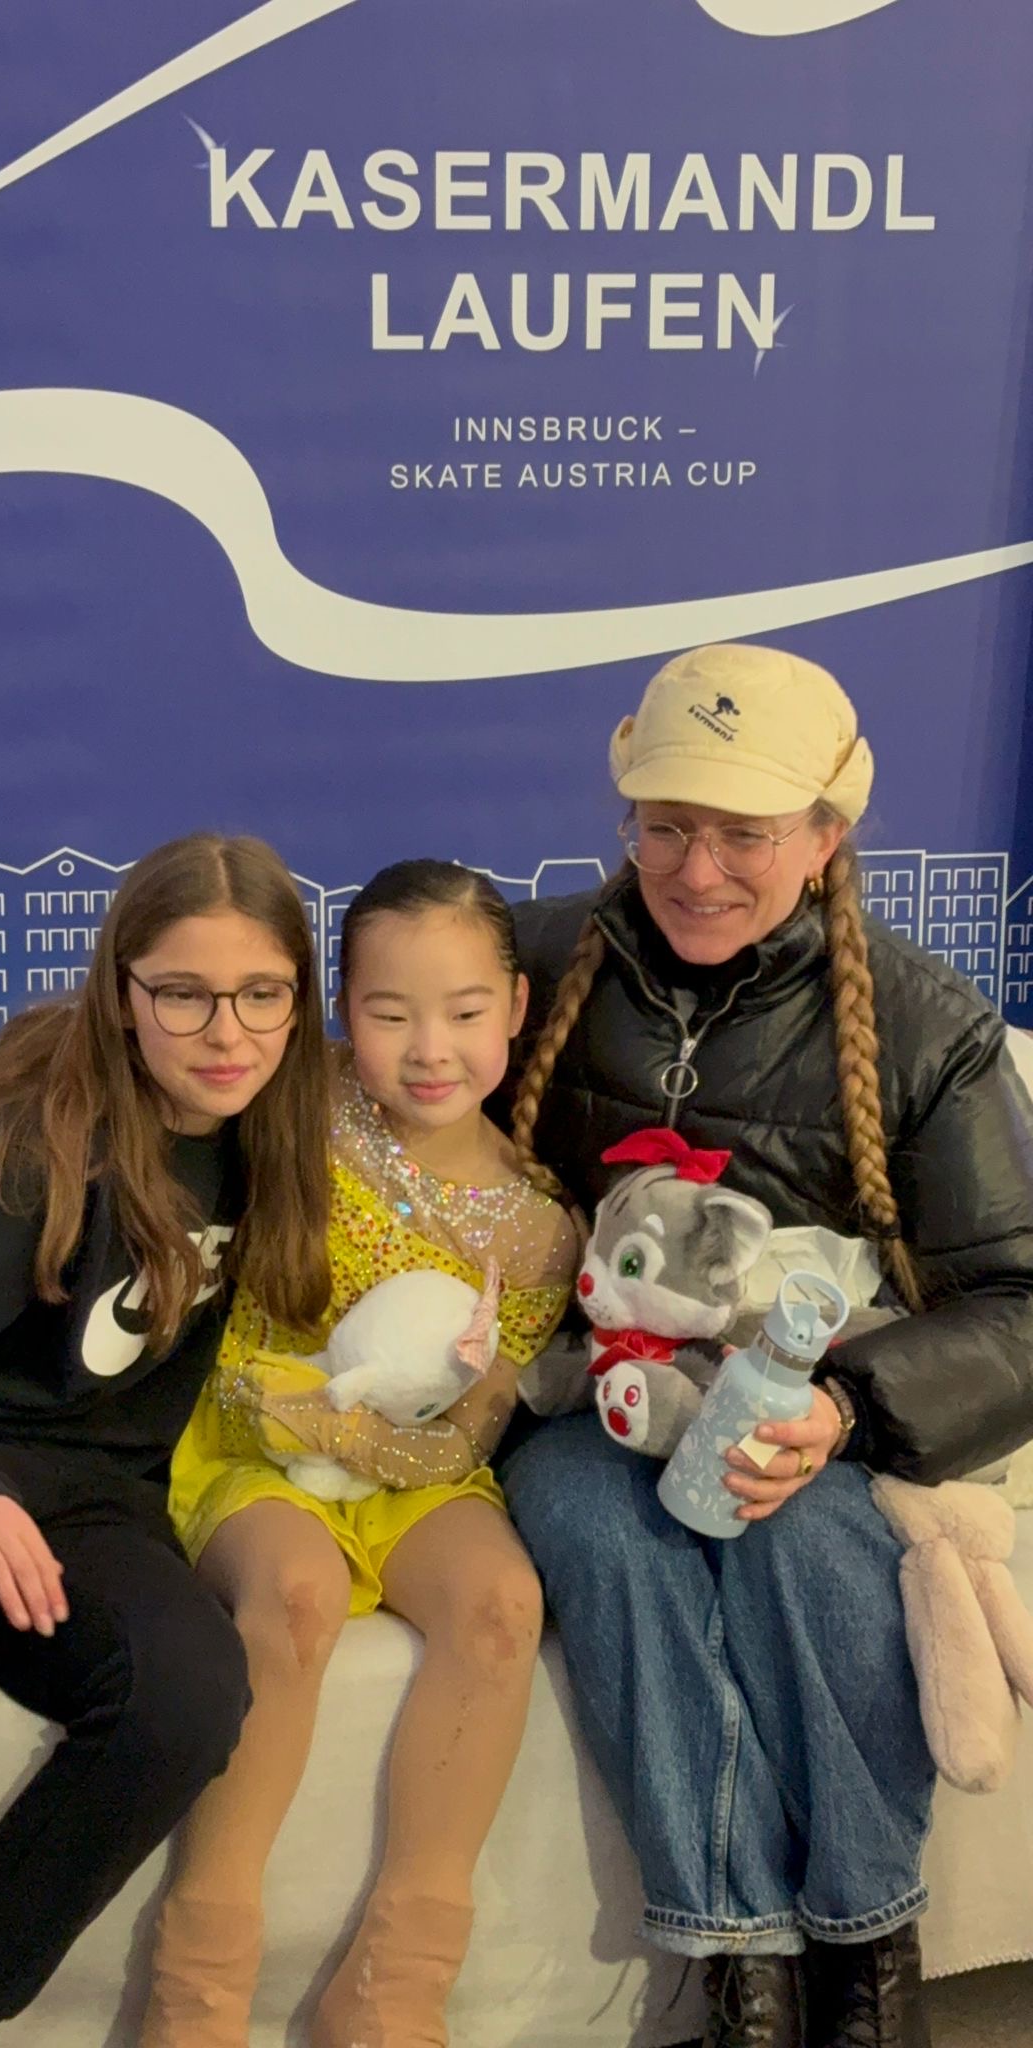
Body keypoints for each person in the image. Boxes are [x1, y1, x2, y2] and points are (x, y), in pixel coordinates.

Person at [496, 643, 1033, 2048]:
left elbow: (1019, 1301)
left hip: (817, 1406)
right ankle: (740, 1970)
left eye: (746, 833)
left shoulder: (928, 1025)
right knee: (608, 1538)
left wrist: (843, 1409)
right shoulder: (528, 962)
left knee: (811, 1550)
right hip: (594, 1398)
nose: (698, 870)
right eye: (666, 825)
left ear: (826, 832)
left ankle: (868, 1957)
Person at [0, 832, 332, 2048]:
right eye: (183, 992)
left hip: (92, 1500)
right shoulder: (47, 1137)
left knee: (189, 1691)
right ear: (123, 993)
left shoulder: (279, 1136)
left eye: (260, 992)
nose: (226, 1031)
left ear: (300, 997)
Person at [143, 861, 578, 2048]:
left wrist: (378, 1442)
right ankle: (197, 1991)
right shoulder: (298, 1100)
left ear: (516, 1007)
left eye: (465, 1011)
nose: (430, 1049)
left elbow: (474, 1423)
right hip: (253, 1430)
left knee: (502, 1603)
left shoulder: (541, 1222)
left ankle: (395, 1989)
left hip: (417, 1463)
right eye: (390, 1013)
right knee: (295, 1592)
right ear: (340, 1010)